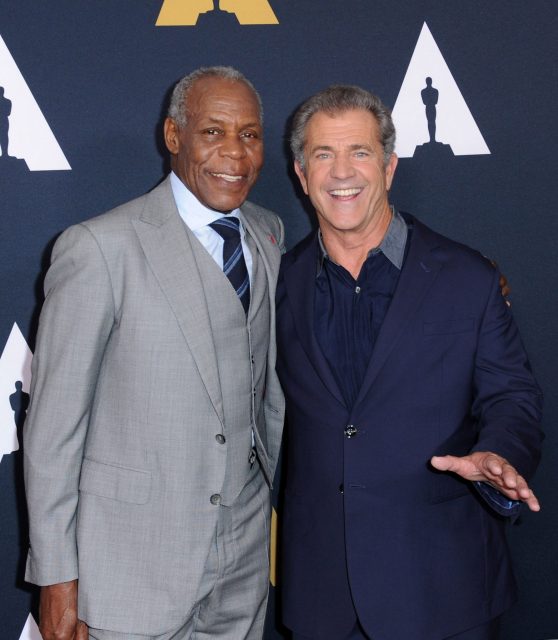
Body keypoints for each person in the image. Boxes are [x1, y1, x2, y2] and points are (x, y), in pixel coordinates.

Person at [23, 66, 285, 640]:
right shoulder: (100, 248)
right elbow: (53, 430)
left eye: (249, 135)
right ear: (173, 137)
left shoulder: (269, 236)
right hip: (127, 568)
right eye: (213, 132)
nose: (234, 154)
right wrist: (57, 578)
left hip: (244, 560)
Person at [275, 84, 543, 640]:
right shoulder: (280, 282)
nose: (341, 172)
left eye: (360, 153)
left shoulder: (467, 277)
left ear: (390, 166)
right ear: (301, 175)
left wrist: (498, 451)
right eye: (323, 154)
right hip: (323, 596)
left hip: (443, 588)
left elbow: (512, 397)